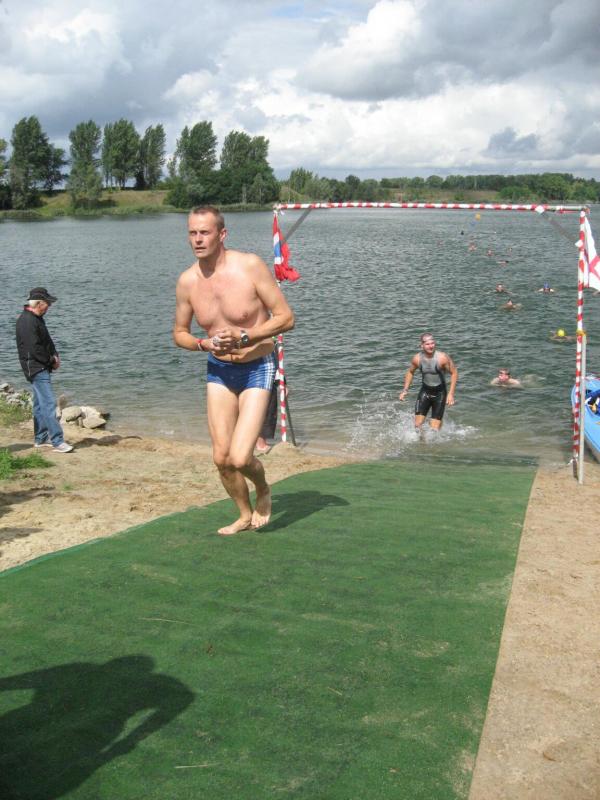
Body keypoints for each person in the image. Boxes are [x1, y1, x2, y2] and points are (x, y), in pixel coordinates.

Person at [173, 206, 295, 535]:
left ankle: (263, 489)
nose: (198, 239)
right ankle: (243, 514)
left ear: (222, 234)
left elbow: (286, 318)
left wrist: (246, 336)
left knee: (241, 458)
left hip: (257, 365)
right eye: (192, 233)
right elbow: (179, 333)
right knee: (221, 458)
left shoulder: (249, 266)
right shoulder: (187, 281)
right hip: (219, 369)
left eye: (205, 232)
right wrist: (203, 344)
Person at [15, 288, 73, 453]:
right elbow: (34, 349)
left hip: (41, 365)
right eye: (48, 303)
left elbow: (46, 341)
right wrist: (50, 360)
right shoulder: (27, 321)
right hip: (35, 367)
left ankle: (40, 439)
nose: (49, 306)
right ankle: (57, 441)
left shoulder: (36, 318)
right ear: (38, 303)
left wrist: (55, 355)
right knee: (48, 404)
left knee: (40, 405)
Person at [398, 333, 458, 431]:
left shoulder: (442, 358)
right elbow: (410, 372)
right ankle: (422, 439)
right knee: (417, 426)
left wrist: (451, 394)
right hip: (425, 391)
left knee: (434, 429)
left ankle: (438, 427)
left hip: (440, 393)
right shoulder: (417, 359)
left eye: (432, 343)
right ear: (422, 345)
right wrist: (405, 390)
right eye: (427, 344)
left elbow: (454, 373)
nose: (431, 346)